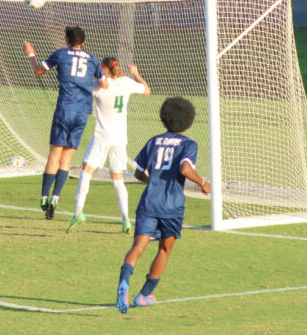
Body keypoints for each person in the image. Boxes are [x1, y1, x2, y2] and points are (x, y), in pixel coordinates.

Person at [115, 97, 210, 314]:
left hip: (149, 201)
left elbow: (138, 172)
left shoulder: (153, 141)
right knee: (165, 249)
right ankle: (144, 295)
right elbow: (185, 170)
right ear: (188, 121)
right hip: (172, 206)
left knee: (138, 246)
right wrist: (203, 183)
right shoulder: (188, 144)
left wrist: (153, 181)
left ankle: (124, 281)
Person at [23, 26, 108, 220]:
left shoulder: (61, 54)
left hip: (64, 109)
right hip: (82, 113)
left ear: (67, 41)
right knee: (67, 158)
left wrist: (31, 55)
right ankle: (55, 198)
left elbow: (38, 71)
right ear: (83, 43)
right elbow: (104, 85)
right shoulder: (92, 58)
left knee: (54, 154)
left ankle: (44, 197)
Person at [67, 58, 150, 234]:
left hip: (102, 137)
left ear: (104, 70)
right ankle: (126, 220)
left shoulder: (98, 87)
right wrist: (136, 74)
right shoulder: (126, 82)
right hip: (120, 138)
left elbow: (80, 92)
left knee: (86, 172)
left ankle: (78, 213)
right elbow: (147, 91)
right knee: (118, 179)